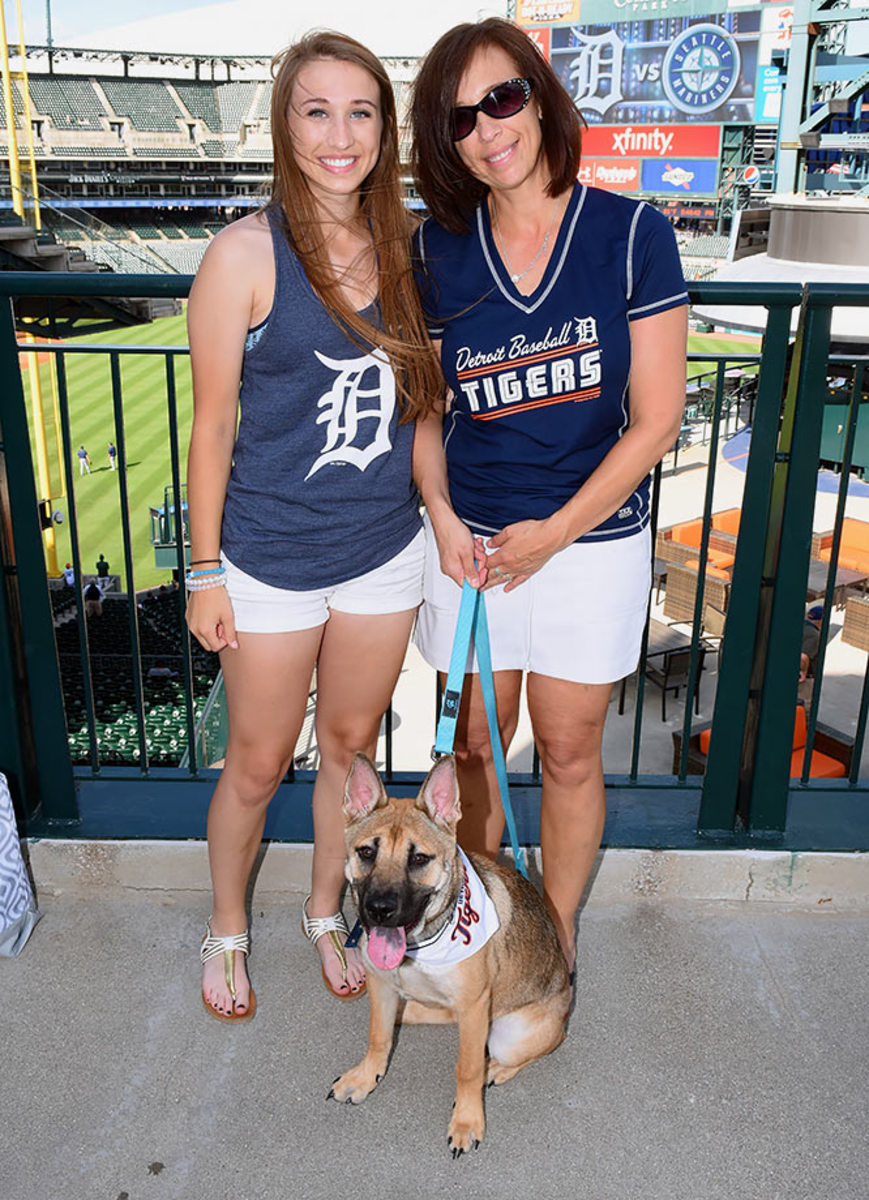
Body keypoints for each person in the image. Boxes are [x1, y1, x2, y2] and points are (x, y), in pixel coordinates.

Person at [410, 18, 688, 979]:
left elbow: (655, 420)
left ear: (539, 97)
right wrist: (442, 518)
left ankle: (554, 932)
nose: (489, 128)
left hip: (591, 541)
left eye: (504, 98)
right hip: (474, 548)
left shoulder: (632, 235)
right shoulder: (433, 252)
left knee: (569, 752)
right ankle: (475, 923)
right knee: (477, 748)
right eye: (460, 118)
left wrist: (556, 534)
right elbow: (427, 411)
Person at [185, 31, 440, 1021]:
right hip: (268, 557)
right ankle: (226, 931)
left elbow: (422, 409)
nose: (340, 135)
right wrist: (204, 570)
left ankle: (324, 913)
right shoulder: (242, 254)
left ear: (385, 125)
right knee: (255, 761)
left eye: (360, 111)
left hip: (380, 549)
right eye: (316, 111)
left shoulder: (411, 248)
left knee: (348, 753)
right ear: (286, 126)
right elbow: (210, 427)